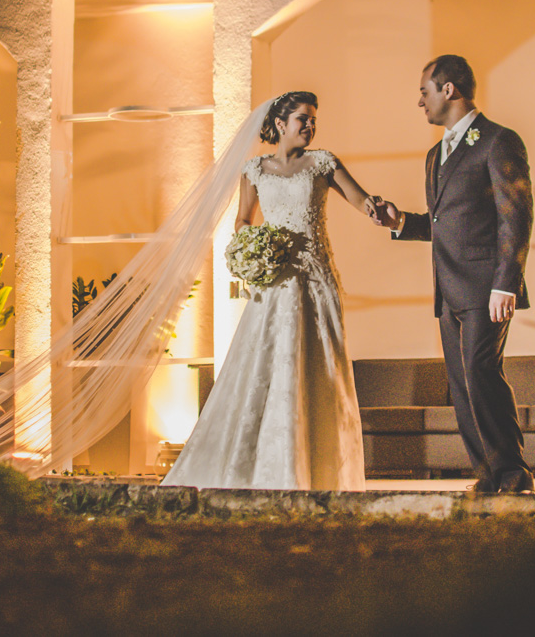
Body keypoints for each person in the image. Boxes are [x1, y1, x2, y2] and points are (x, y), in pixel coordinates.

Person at [161, 91, 377, 491]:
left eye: (313, 119)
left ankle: (320, 472)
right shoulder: (254, 170)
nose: (310, 126)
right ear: (280, 124)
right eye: (303, 119)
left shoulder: (323, 163)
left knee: (319, 369)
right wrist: (254, 247)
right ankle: (267, 467)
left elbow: (362, 201)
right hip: (274, 283)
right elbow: (242, 220)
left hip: (315, 281)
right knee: (266, 366)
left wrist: (380, 210)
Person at [372, 55, 535, 493]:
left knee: (482, 373)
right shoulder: (434, 156)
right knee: (461, 384)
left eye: (424, 91)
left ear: (448, 90)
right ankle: (488, 474)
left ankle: (513, 472)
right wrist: (399, 222)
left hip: (487, 287)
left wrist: (507, 283)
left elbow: (515, 216)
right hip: (447, 288)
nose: (419, 102)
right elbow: (443, 222)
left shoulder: (498, 141)